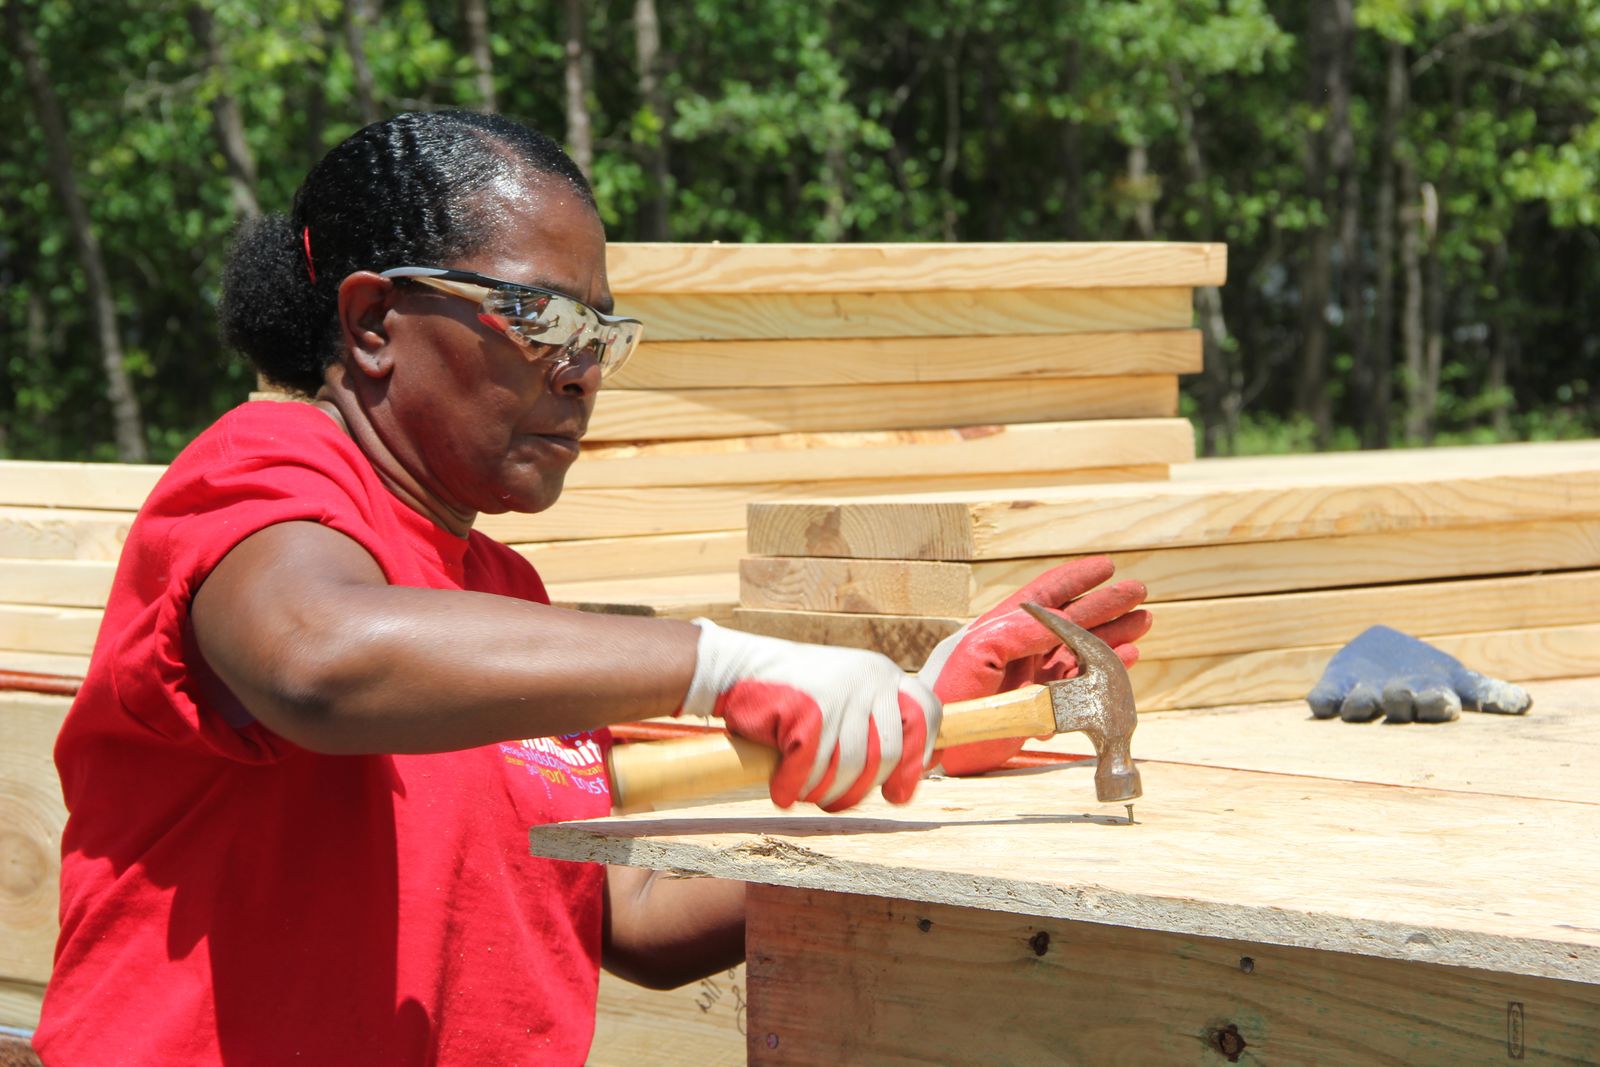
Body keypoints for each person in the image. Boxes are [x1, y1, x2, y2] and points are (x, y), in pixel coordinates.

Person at [34, 111, 1150, 1066]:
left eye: (601, 332)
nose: (580, 371)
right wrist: (724, 659)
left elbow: (636, 914)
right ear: (375, 323)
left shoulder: (500, 598)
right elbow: (317, 658)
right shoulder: (264, 472)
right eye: (540, 319)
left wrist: (922, 738)